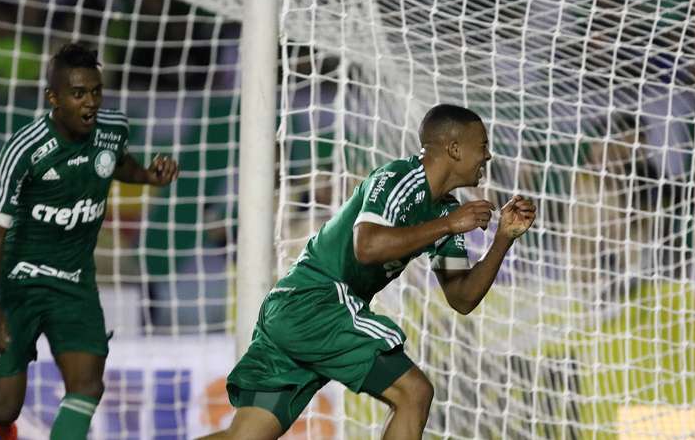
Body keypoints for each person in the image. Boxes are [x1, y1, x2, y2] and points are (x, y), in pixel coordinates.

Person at [202, 104, 537, 440]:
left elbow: (462, 297)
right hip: (317, 300)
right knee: (414, 393)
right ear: (454, 149)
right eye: (482, 146)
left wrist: (502, 240)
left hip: (296, 312)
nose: (488, 156)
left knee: (243, 437)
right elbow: (367, 247)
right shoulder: (398, 180)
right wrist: (448, 224)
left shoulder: (447, 210)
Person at [0, 43, 179, 440]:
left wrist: (148, 176)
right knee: (5, 409)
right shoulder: (26, 148)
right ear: (53, 98)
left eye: (96, 92)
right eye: (78, 94)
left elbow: (118, 165)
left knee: (87, 386)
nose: (90, 103)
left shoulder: (112, 129)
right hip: (20, 283)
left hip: (75, 284)